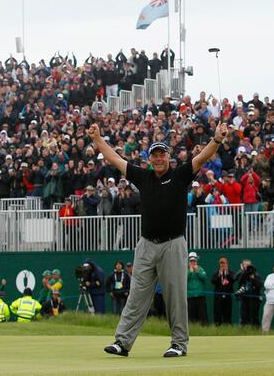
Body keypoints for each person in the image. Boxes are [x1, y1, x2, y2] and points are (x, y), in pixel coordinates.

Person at [95, 121, 228, 358]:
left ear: (168, 156)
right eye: (154, 155)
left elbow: (202, 158)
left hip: (173, 243)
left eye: (162, 154)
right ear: (149, 158)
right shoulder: (143, 176)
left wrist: (217, 139)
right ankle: (122, 343)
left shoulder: (179, 175)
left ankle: (179, 344)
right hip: (146, 244)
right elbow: (114, 159)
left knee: (175, 296)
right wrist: (97, 139)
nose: (158, 159)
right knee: (136, 295)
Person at [234, 262, 262, 327]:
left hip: (254, 300)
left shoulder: (257, 276)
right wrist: (243, 272)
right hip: (244, 299)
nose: (249, 271)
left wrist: (253, 278)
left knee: (254, 316)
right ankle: (243, 330)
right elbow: (238, 280)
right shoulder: (243, 275)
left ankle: (255, 330)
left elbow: (260, 285)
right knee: (243, 316)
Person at [211, 257, 235, 326]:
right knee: (217, 313)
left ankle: (227, 326)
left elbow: (233, 279)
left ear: (227, 264)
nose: (223, 265)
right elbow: (213, 281)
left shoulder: (230, 273)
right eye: (221, 264)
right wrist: (219, 275)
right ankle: (217, 326)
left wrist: (227, 273)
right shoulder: (217, 273)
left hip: (227, 296)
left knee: (227, 313)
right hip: (218, 297)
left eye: (224, 263)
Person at [186, 252, 208, 325]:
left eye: (194, 261)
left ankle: (203, 329)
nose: (192, 263)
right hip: (190, 296)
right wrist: (190, 272)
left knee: (202, 316)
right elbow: (184, 279)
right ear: (188, 261)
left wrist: (197, 271)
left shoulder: (200, 269)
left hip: (200, 295)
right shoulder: (186, 270)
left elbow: (204, 277)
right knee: (191, 316)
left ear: (196, 261)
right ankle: (192, 330)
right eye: (191, 261)